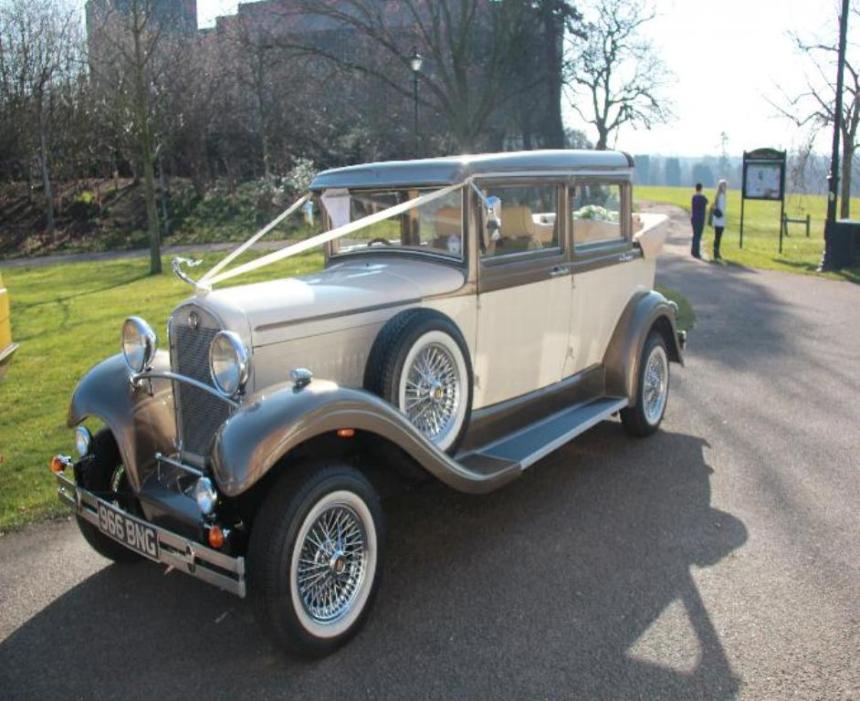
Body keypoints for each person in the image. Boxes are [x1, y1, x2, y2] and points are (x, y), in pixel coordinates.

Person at [690, 183, 708, 259]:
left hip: (694, 218)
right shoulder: (703, 198)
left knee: (695, 235)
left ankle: (693, 251)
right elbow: (707, 202)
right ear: (701, 189)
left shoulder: (693, 197)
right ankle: (697, 252)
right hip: (700, 218)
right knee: (698, 235)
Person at [711, 179, 727, 260]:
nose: (725, 187)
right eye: (724, 186)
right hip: (720, 219)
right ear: (721, 187)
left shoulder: (717, 195)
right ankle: (716, 253)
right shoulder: (722, 196)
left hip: (717, 219)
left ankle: (716, 252)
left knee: (717, 237)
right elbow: (722, 209)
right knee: (718, 237)